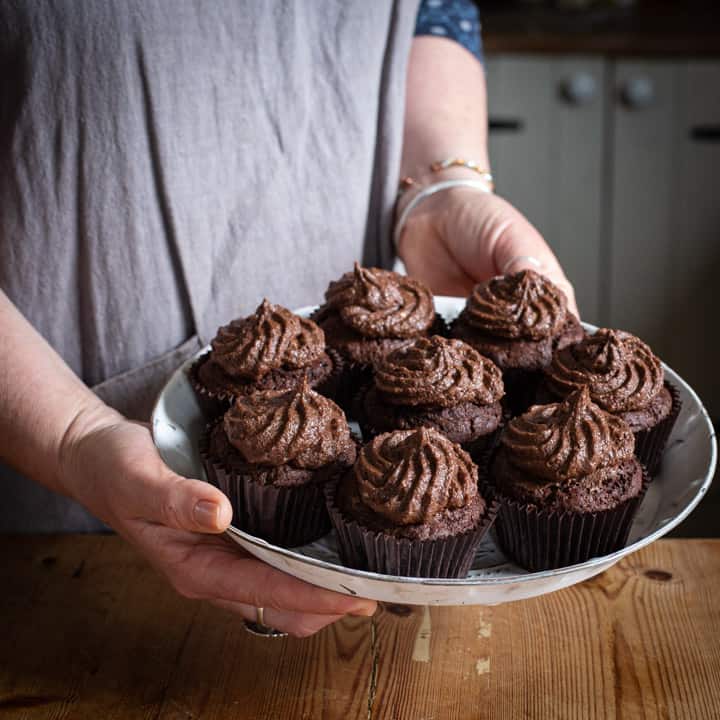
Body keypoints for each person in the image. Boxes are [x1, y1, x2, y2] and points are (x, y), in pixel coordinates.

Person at [0, 1, 576, 637]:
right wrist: (70, 434)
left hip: (374, 345)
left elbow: (433, 15)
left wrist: (441, 187)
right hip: (56, 513)